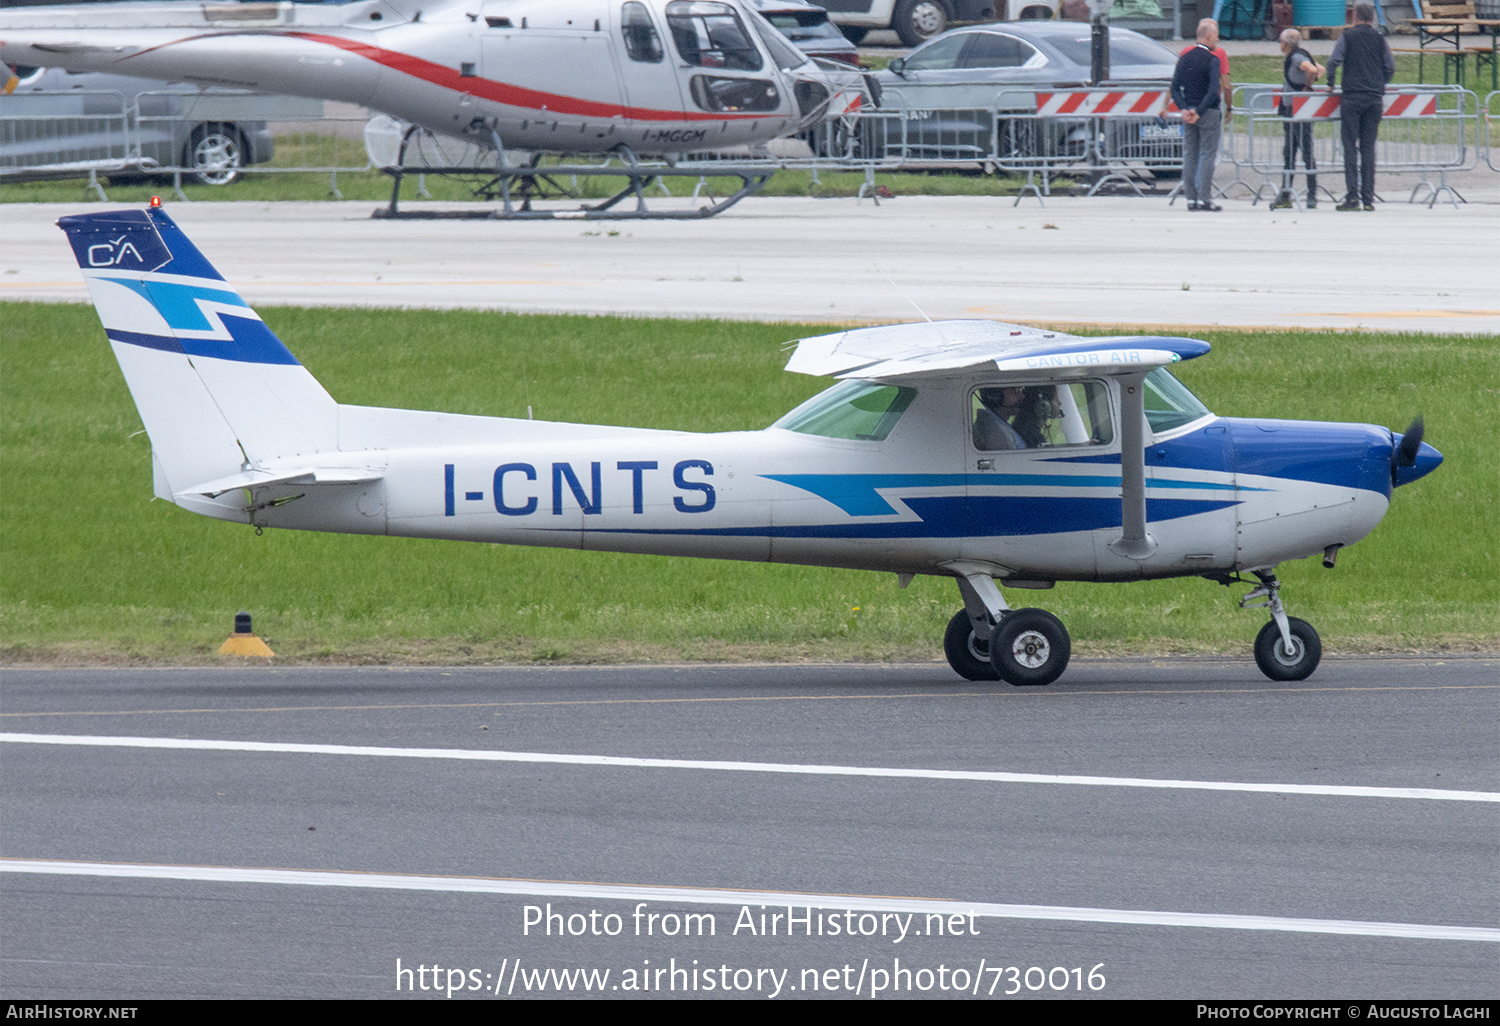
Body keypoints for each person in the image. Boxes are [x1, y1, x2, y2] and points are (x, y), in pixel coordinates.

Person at [1326, 2, 1393, 211]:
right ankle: (1368, 199)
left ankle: (1352, 197)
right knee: (1368, 148)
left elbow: (1333, 61)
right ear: (1372, 18)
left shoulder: (1347, 37)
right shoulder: (1380, 39)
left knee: (1350, 146)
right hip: (1374, 98)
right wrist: (1379, 81)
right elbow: (1389, 67)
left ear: (1354, 16)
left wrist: (1331, 83)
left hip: (1352, 97)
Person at [1172, 19, 1227, 212]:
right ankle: (1205, 198)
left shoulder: (1185, 58)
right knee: (1207, 155)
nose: (1218, 40)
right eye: (1217, 35)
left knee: (1190, 154)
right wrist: (1200, 111)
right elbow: (1213, 90)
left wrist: (1185, 108)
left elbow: (1174, 88)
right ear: (1209, 36)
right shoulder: (1213, 60)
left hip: (1188, 114)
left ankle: (1190, 199)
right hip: (1208, 112)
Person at [1271, 29, 1323, 210]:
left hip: (1297, 111)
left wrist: (1307, 87)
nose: (1279, 44)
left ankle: (1310, 195)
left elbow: (1313, 69)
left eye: (1280, 41)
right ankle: (1287, 194)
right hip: (1292, 110)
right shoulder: (1300, 55)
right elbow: (1320, 69)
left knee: (1304, 151)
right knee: (1290, 152)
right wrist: (1312, 79)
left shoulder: (1296, 58)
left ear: (1286, 43)